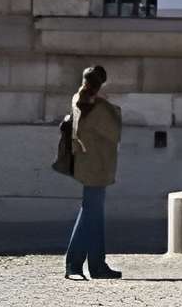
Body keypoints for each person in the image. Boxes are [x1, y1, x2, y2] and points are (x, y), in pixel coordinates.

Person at [61, 62, 122, 281]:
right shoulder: (101, 108)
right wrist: (112, 108)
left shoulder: (77, 99)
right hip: (98, 166)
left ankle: (97, 265)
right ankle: (74, 265)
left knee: (94, 215)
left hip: (87, 164)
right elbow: (115, 133)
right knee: (90, 214)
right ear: (101, 84)